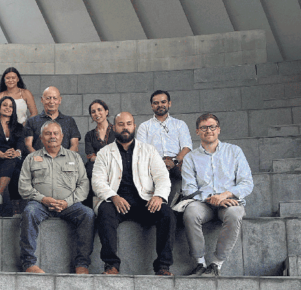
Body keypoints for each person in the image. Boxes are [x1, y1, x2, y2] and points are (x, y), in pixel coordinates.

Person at [92, 112, 175, 276]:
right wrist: (113, 196)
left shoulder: (149, 150)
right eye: (121, 124)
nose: (125, 127)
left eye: (129, 124)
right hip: (117, 202)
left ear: (134, 126)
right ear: (113, 127)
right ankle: (111, 265)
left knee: (167, 214)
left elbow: (162, 177)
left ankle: (163, 266)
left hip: (146, 202)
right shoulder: (104, 152)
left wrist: (158, 196)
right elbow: (97, 181)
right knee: (105, 212)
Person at [178, 112, 253, 277]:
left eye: (212, 127)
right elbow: (189, 188)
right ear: (197, 131)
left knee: (234, 214)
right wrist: (211, 198)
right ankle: (200, 263)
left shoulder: (234, 151)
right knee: (191, 213)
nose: (208, 130)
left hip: (230, 202)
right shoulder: (190, 158)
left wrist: (225, 195)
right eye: (203, 128)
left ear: (218, 129)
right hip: (203, 203)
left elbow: (247, 183)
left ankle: (216, 264)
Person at [18, 121, 94, 274]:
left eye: (55, 133)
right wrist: (42, 199)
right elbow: (23, 186)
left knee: (88, 214)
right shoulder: (31, 158)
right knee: (29, 212)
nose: (52, 136)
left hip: (69, 205)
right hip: (40, 204)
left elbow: (84, 185)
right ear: (41, 137)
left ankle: (82, 264)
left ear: (62, 136)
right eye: (48, 133)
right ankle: (29, 263)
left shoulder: (75, 157)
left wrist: (67, 202)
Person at [136, 90, 192, 193]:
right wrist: (160, 163)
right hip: (154, 165)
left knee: (182, 175)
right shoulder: (144, 127)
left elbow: (186, 148)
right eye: (156, 103)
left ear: (169, 103)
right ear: (151, 106)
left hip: (176, 163)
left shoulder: (180, 124)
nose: (160, 105)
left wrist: (174, 161)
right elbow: (142, 151)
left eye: (163, 102)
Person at [0, 95, 25, 213]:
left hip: (14, 157)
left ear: (14, 109)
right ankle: (15, 205)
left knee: (14, 166)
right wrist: (3, 155)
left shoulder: (18, 126)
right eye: (5, 105)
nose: (8, 108)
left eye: (11, 106)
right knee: (14, 169)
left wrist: (17, 152)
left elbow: (21, 144)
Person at [24, 87, 80, 153]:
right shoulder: (31, 121)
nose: (51, 101)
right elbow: (28, 145)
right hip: (39, 161)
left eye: (55, 98)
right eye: (48, 98)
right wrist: (39, 159)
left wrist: (65, 159)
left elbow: (75, 145)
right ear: (42, 100)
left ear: (60, 100)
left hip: (64, 161)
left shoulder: (70, 121)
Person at [84, 100, 115, 182]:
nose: (96, 114)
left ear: (106, 112)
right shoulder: (89, 135)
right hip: (97, 167)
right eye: (93, 112)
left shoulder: (117, 131)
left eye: (99, 110)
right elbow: (91, 156)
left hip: (115, 166)